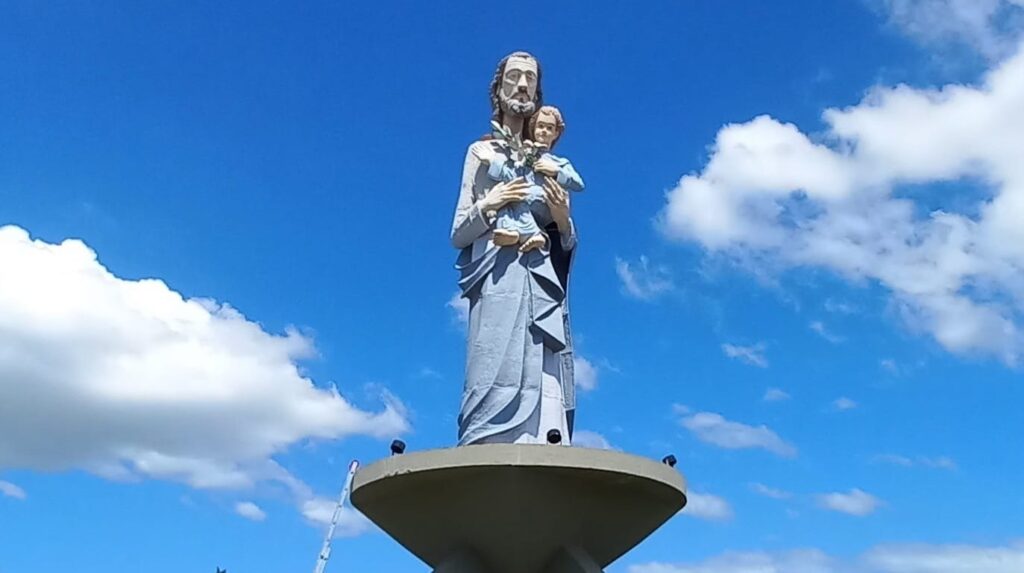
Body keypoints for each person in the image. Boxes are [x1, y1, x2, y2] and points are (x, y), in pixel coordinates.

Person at [450, 52, 579, 446]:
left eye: (530, 79)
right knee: (490, 366)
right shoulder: (481, 152)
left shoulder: (547, 161)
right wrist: (491, 202)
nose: (522, 85)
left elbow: (567, 238)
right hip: (494, 276)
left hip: (538, 276)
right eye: (513, 77)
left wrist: (559, 213)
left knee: (542, 372)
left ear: (538, 92)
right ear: (498, 87)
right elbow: (458, 232)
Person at [474, 105, 585, 252]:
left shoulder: (559, 162)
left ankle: (530, 232)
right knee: (504, 197)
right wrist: (492, 161)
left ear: (556, 133)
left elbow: (579, 184)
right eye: (540, 126)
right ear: (533, 128)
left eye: (549, 128)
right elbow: (512, 177)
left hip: (547, 203)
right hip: (526, 200)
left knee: (515, 196)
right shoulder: (527, 155)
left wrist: (557, 172)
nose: (544, 131)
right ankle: (514, 231)